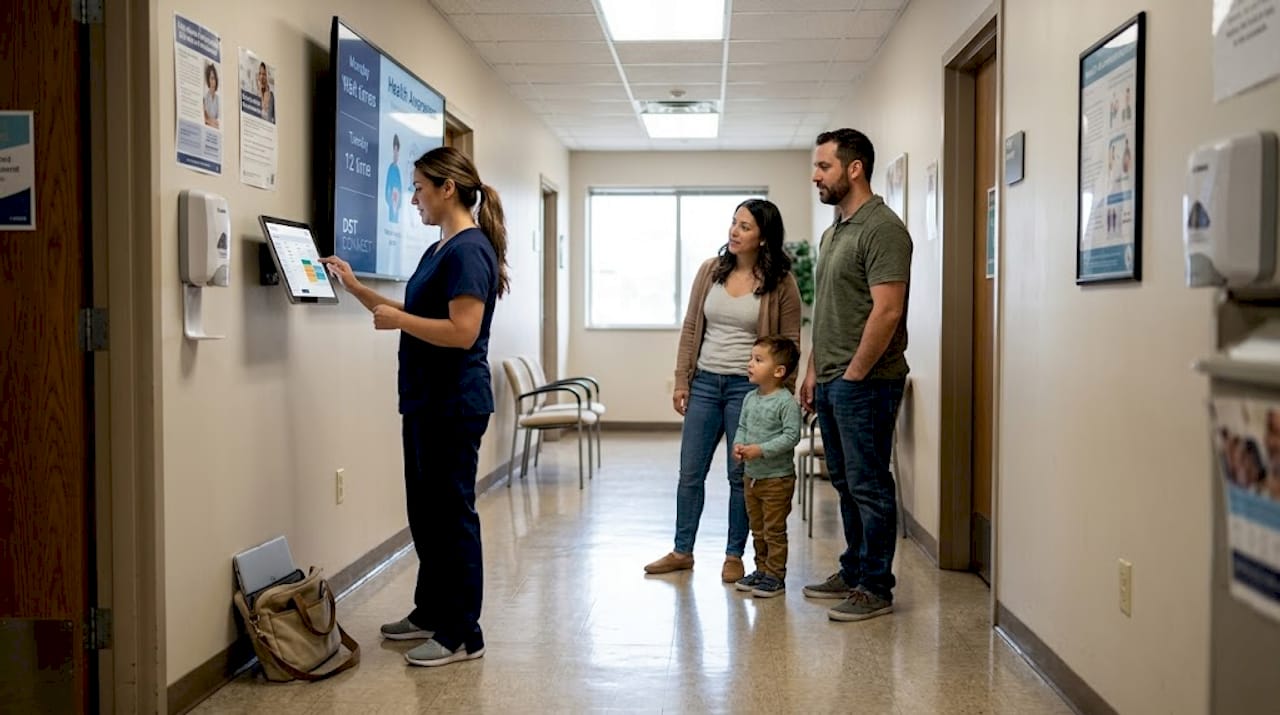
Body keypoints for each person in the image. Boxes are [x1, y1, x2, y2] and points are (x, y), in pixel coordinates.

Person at [320, 146, 509, 668]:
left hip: (455, 404)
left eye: (420, 188)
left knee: (452, 518)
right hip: (426, 401)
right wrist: (358, 289)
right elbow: (416, 311)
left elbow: (463, 331)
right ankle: (430, 611)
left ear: (448, 188)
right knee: (426, 515)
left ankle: (462, 633)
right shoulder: (438, 249)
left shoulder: (470, 250)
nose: (414, 199)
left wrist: (400, 323)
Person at [644, 199, 802, 584]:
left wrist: (780, 394)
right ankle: (683, 550)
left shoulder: (781, 282)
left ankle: (734, 554)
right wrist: (682, 378)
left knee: (739, 475)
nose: (734, 232)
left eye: (745, 226)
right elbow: (689, 328)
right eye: (734, 223)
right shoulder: (710, 271)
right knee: (690, 472)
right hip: (704, 383)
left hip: (745, 391)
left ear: (763, 237)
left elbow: (790, 341)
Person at [802, 128, 912, 622]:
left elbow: (887, 312)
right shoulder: (835, 231)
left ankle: (876, 585)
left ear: (854, 168)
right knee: (845, 482)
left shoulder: (882, 228)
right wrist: (813, 371)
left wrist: (853, 376)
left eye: (824, 166)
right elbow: (828, 308)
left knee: (869, 484)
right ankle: (853, 568)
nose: (815, 175)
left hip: (865, 383)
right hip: (830, 380)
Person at [731, 335, 803, 598]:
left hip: (777, 479)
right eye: (751, 358)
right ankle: (761, 569)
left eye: (758, 360)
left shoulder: (785, 402)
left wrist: (759, 450)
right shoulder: (750, 398)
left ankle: (775, 575)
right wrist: (739, 445)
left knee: (773, 530)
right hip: (752, 478)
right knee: (757, 529)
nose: (750, 364)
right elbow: (742, 427)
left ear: (779, 371)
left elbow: (791, 437)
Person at [386, 134, 403, 223]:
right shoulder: (391, 168)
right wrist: (391, 198)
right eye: (395, 150)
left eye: (398, 151)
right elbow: (387, 188)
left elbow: (400, 189)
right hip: (392, 204)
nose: (396, 154)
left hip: (396, 205)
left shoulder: (398, 170)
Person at [203, 63, 220, 129]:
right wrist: (211, 121)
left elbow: (218, 120)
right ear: (208, 80)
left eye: (214, 78)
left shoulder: (218, 99)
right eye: (212, 78)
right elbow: (206, 119)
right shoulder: (205, 98)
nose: (214, 81)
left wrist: (212, 121)